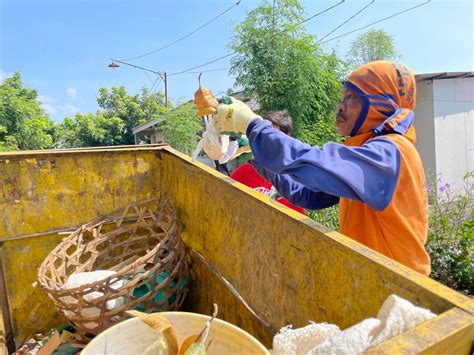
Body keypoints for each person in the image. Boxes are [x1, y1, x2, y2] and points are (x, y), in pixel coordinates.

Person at [213, 61, 430, 275]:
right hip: (373, 283)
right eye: (343, 96)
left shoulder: (391, 154)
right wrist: (258, 155)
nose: (341, 106)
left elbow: (313, 163)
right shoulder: (369, 155)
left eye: (351, 97)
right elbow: (308, 194)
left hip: (399, 292)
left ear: (379, 105)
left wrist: (252, 125)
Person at [230, 110, 305, 214]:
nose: (267, 141)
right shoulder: (246, 170)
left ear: (287, 138)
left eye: (273, 136)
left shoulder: (294, 180)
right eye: (264, 136)